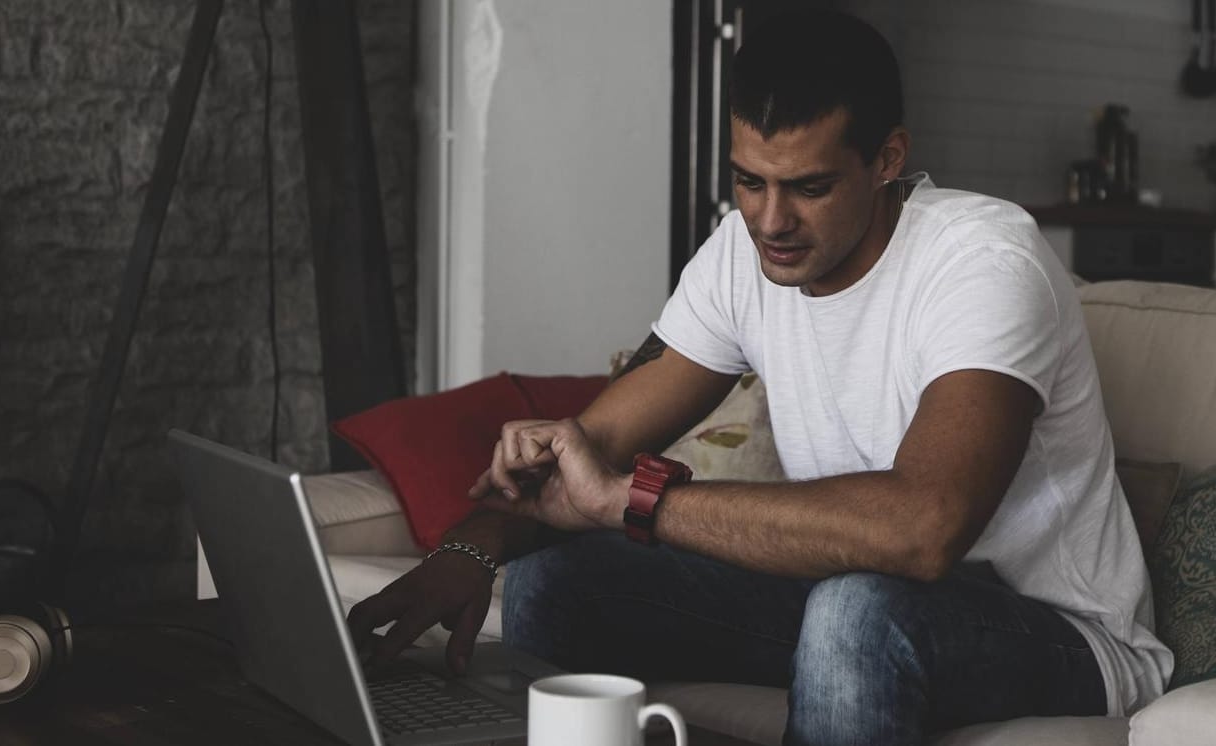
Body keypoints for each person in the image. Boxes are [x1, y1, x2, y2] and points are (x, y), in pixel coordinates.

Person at [347, 11, 1172, 745]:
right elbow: (591, 447)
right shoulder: (739, 259)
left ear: (887, 158)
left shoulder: (982, 261)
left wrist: (630, 500)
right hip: (840, 599)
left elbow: (923, 531)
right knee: (560, 585)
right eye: (749, 181)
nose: (771, 221)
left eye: (809, 187)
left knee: (856, 613)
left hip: (1060, 635)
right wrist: (467, 550)